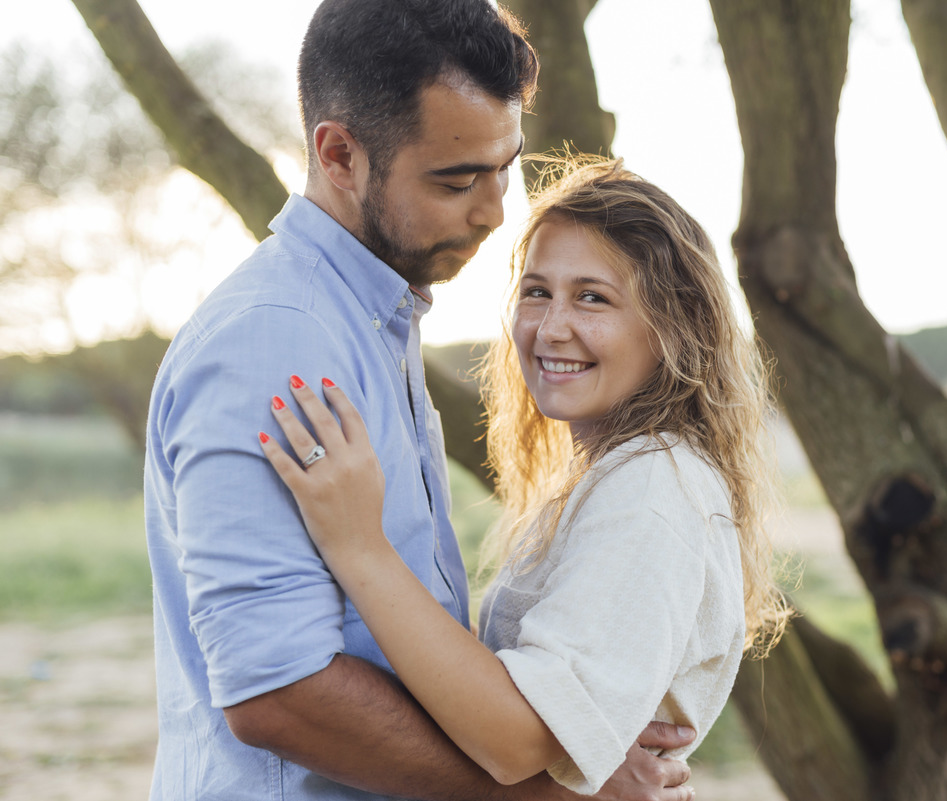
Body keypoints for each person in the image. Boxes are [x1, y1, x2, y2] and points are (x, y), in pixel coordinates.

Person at [144, 2, 694, 799]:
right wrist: (551, 792)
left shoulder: (373, 320)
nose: (495, 210)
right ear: (339, 154)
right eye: (457, 179)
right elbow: (278, 694)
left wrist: (576, 726)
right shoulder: (276, 342)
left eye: (505, 167)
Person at [258, 157, 790, 794]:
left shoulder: (653, 483)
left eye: (592, 297)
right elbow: (541, 726)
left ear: (672, 327)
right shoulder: (612, 472)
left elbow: (516, 741)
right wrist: (582, 762)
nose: (550, 327)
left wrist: (357, 546)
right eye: (537, 291)